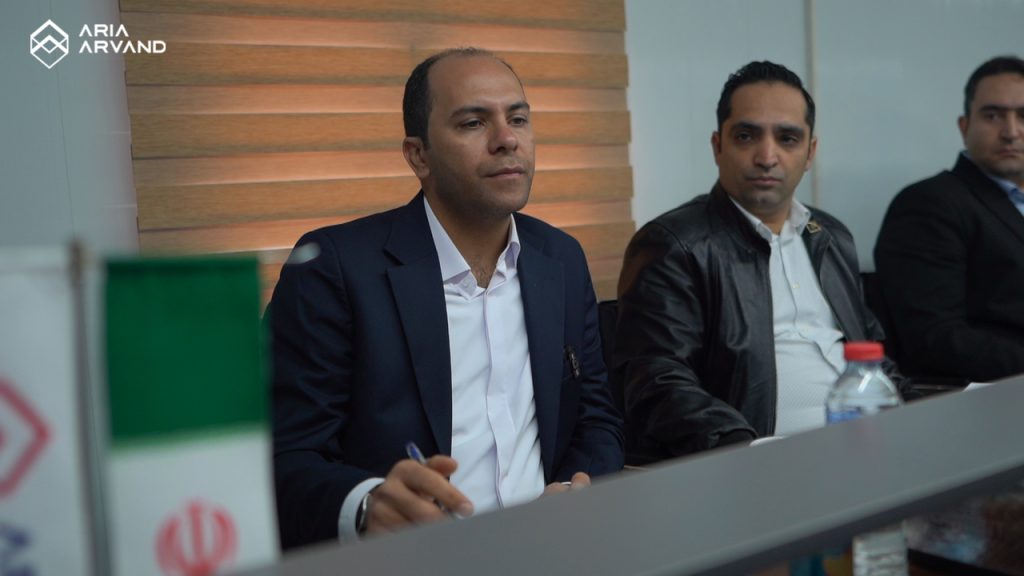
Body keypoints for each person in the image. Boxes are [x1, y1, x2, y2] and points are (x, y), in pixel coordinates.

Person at [266, 48, 624, 549]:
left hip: (550, 547)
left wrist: (575, 487)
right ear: (419, 155)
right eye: (473, 122)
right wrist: (367, 505)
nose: (506, 139)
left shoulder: (559, 258)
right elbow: (284, 456)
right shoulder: (336, 269)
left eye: (518, 118)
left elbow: (596, 420)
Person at [613, 61, 902, 462]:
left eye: (787, 138)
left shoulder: (831, 237)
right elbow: (658, 384)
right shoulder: (674, 245)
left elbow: (873, 356)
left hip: (868, 448)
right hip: (754, 467)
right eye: (746, 136)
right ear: (718, 146)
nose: (767, 156)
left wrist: (920, 413)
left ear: (810, 152)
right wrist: (749, 452)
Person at [875, 55, 1024, 383]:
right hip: (990, 396)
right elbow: (934, 338)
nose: (1011, 132)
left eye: (1023, 116)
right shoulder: (928, 204)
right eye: (993, 115)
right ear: (964, 126)